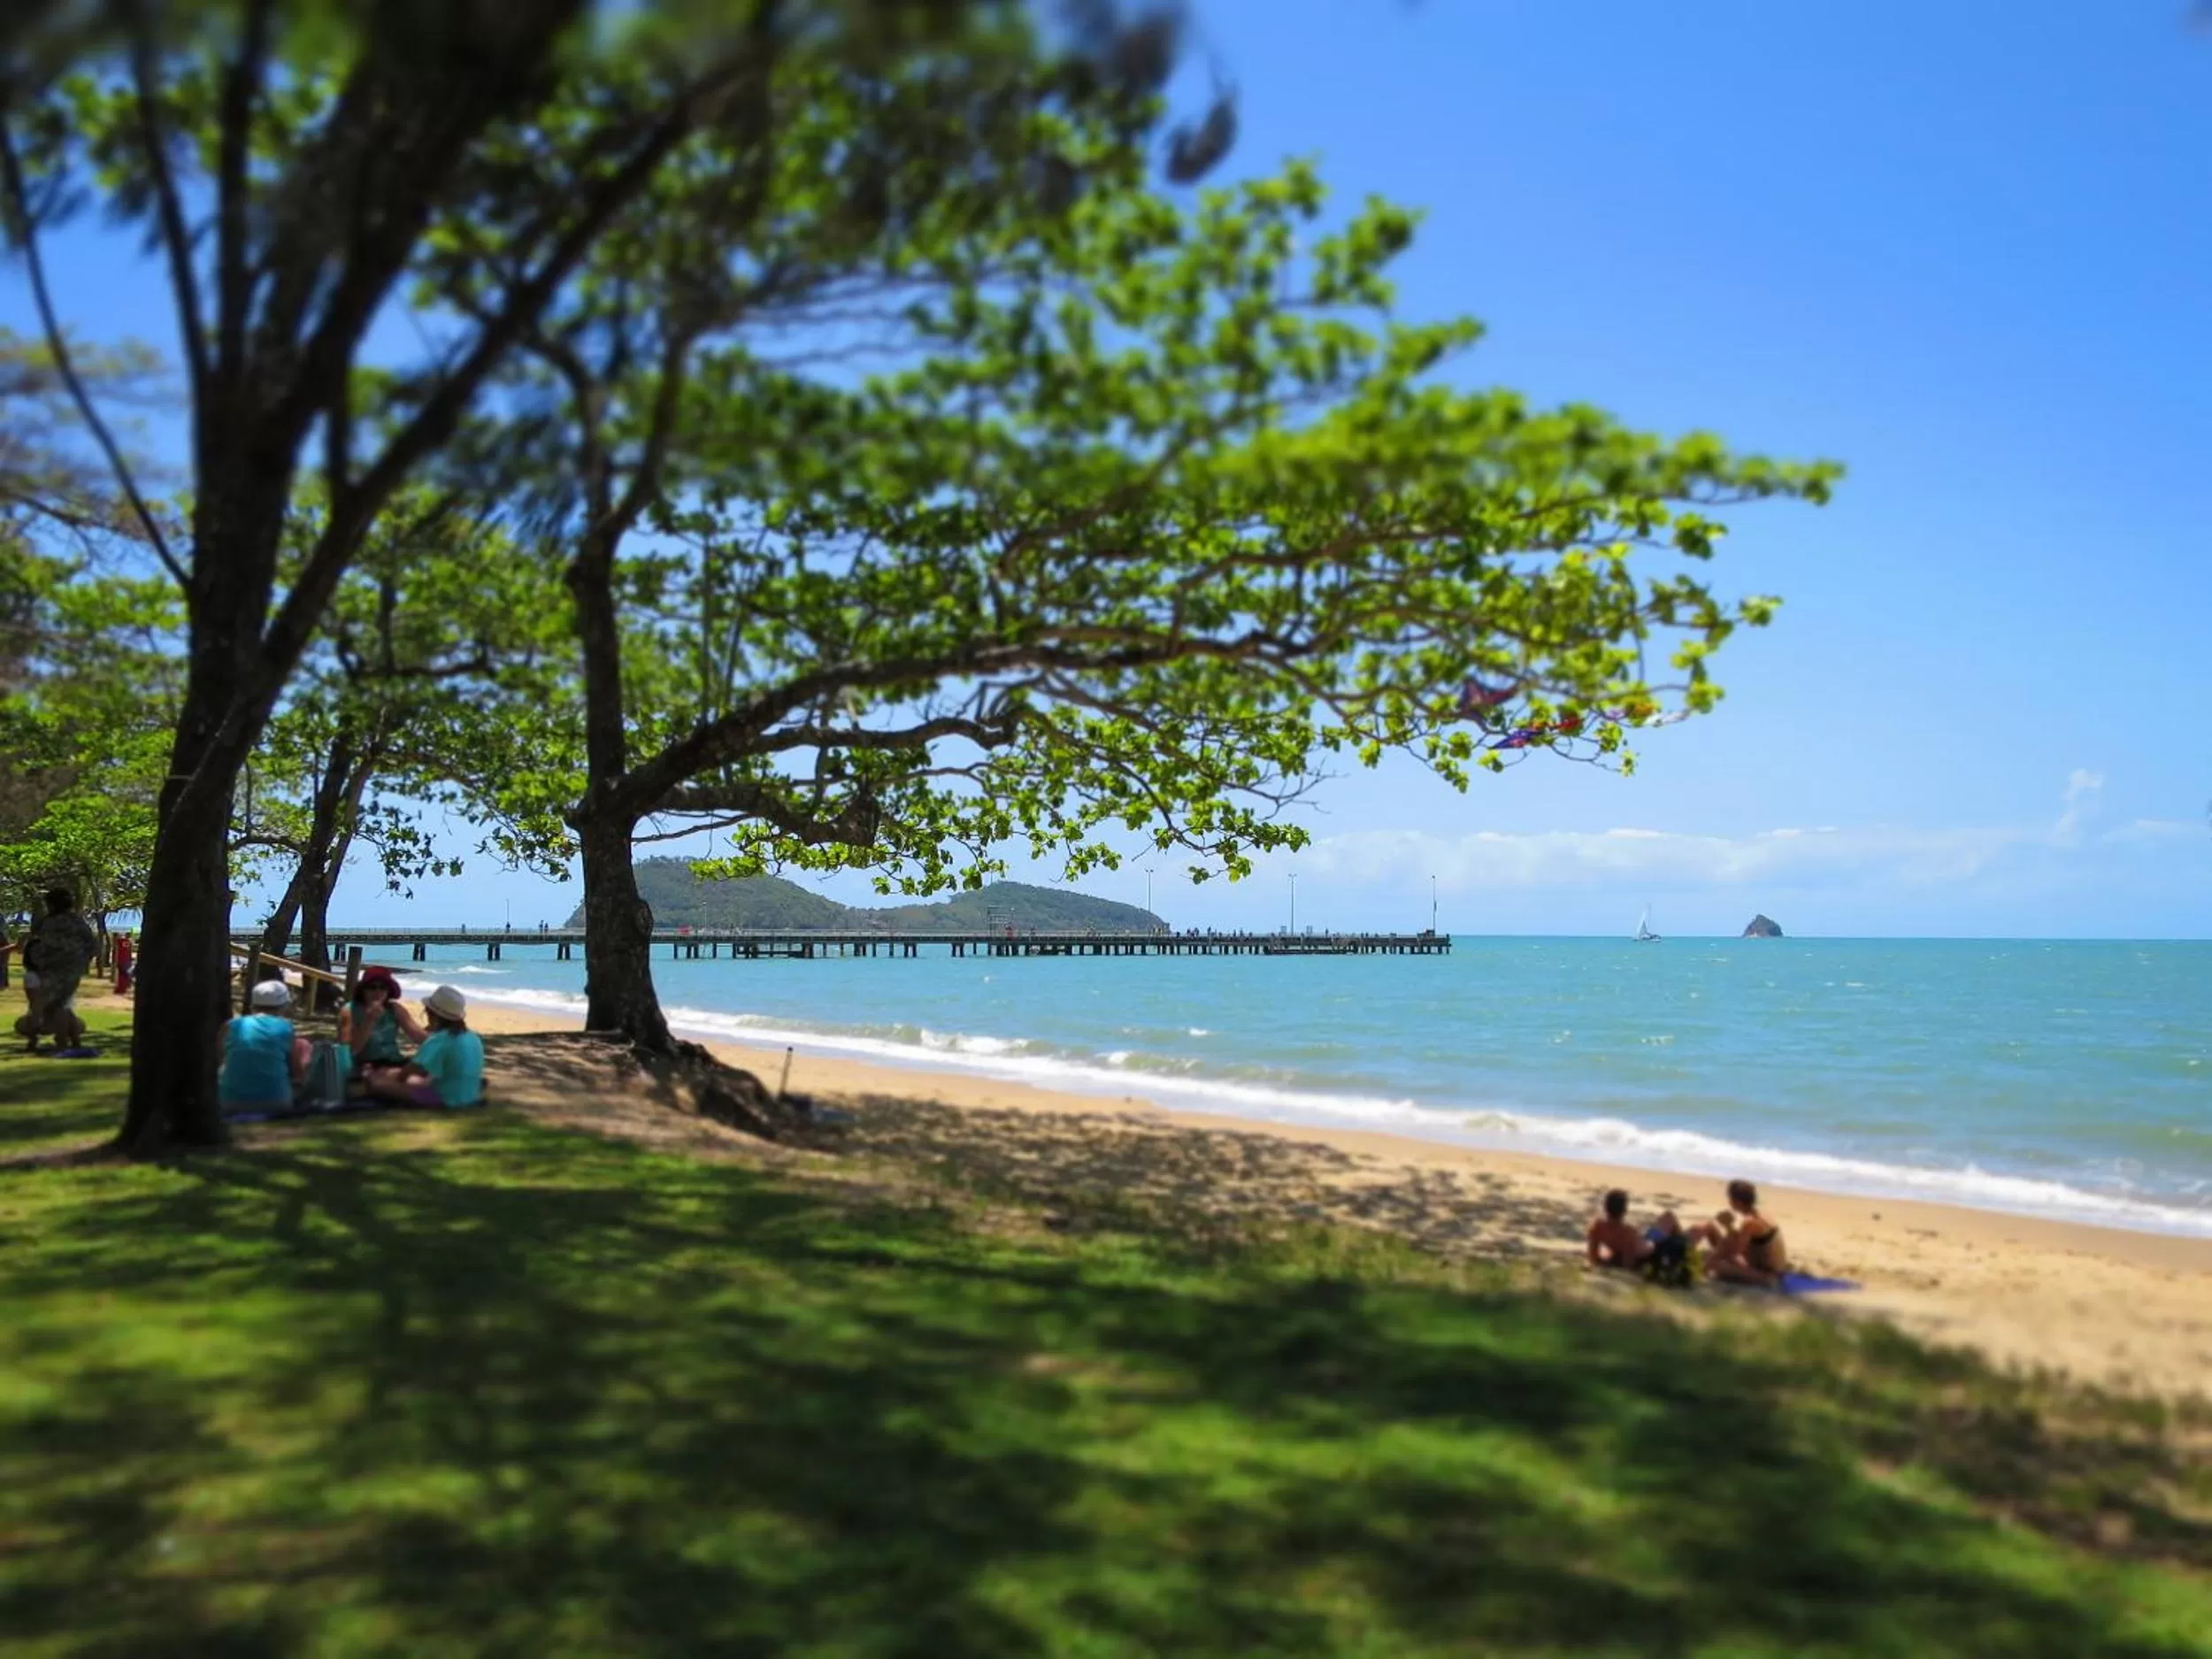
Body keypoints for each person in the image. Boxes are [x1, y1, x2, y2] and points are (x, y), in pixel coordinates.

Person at [365, 984, 483, 1109]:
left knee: (377, 1083)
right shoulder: (473, 1037)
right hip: (469, 1096)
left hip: (442, 1099)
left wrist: (386, 1077)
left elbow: (407, 1073)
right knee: (396, 1076)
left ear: (433, 1015)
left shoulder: (439, 1039)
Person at [15, 887, 99, 1053]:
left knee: (47, 1005)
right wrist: (83, 961)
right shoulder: (78, 923)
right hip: (73, 971)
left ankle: (50, 1043)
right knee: (61, 1004)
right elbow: (92, 946)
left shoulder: (47, 923)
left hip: (48, 970)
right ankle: (67, 1042)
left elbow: (36, 942)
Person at [219, 979, 311, 1114]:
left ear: (253, 1005)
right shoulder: (286, 1027)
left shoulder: (230, 1026)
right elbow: (295, 1067)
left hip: (229, 1101)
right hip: (275, 1101)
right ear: (284, 1006)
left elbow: (219, 1057)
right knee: (303, 1046)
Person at [1693, 1179, 1790, 1286]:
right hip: (1762, 1262)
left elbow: (1734, 1253)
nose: (1729, 1202)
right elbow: (1736, 1243)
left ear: (1737, 1202)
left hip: (1768, 1274)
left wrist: (1728, 1226)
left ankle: (1704, 1267)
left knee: (1717, 1265)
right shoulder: (1760, 1214)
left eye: (1730, 1199)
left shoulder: (1749, 1223)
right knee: (1711, 1229)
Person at [338, 965, 424, 1085]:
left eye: (383, 988)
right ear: (363, 990)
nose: (377, 992)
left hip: (394, 1061)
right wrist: (369, 1021)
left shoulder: (394, 1009)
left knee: (431, 1075)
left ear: (388, 991)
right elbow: (349, 1051)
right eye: (372, 987)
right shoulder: (350, 1010)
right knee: (413, 1083)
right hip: (367, 1065)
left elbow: (418, 1036)